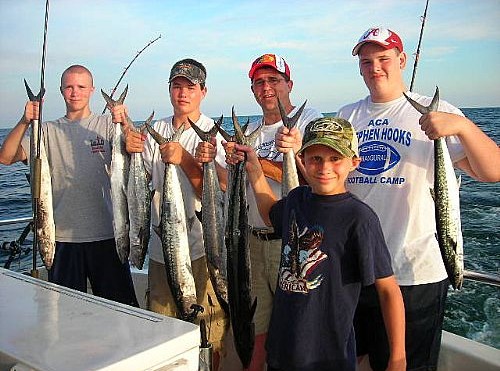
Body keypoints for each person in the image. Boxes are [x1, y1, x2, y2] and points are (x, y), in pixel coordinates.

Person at [335, 27, 500, 370]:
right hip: (357, 270)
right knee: (356, 360)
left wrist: (463, 128)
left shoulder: (436, 112)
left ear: (402, 60)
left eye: (383, 58)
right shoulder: (347, 116)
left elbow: (492, 172)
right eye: (367, 62)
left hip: (415, 273)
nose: (375, 67)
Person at [226, 117, 406, 371]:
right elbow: (269, 212)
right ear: (302, 160)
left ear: (354, 162)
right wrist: (254, 167)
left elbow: (388, 290)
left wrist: (397, 358)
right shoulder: (297, 199)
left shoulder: (359, 219)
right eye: (316, 158)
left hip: (328, 357)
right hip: (282, 349)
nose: (325, 168)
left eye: (335, 159)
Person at [121, 58, 229, 370]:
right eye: (176, 86)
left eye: (190, 87)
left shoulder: (212, 134)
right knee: (162, 332)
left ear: (203, 91)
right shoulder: (155, 130)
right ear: (169, 90)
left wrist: (185, 159)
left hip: (203, 250)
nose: (183, 93)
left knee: (209, 333)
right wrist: (127, 148)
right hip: (160, 249)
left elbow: (220, 189)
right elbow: (137, 186)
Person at [0, 64, 139, 307]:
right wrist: (25, 121)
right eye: (69, 87)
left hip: (110, 236)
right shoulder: (46, 130)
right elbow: (6, 157)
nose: (75, 92)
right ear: (61, 91)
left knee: (122, 312)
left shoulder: (107, 125)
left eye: (81, 87)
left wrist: (124, 120)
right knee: (66, 315)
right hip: (60, 239)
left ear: (92, 90)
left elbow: (135, 145)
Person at [242, 53, 323, 370]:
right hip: (252, 242)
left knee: (297, 328)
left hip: (294, 244)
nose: (266, 87)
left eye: (273, 80)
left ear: (289, 84)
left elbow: (319, 181)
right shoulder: (249, 129)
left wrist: (263, 162)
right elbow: (231, 184)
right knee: (258, 327)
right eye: (259, 82)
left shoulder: (311, 122)